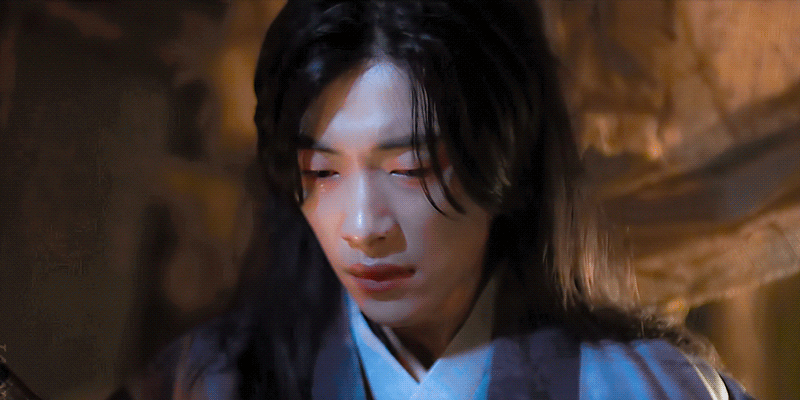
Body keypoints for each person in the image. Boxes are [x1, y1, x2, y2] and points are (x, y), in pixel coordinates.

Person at [125, 0, 754, 398]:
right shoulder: (211, 381)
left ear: (507, 166)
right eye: (322, 173)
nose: (363, 227)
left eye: (410, 171)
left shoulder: (644, 388)